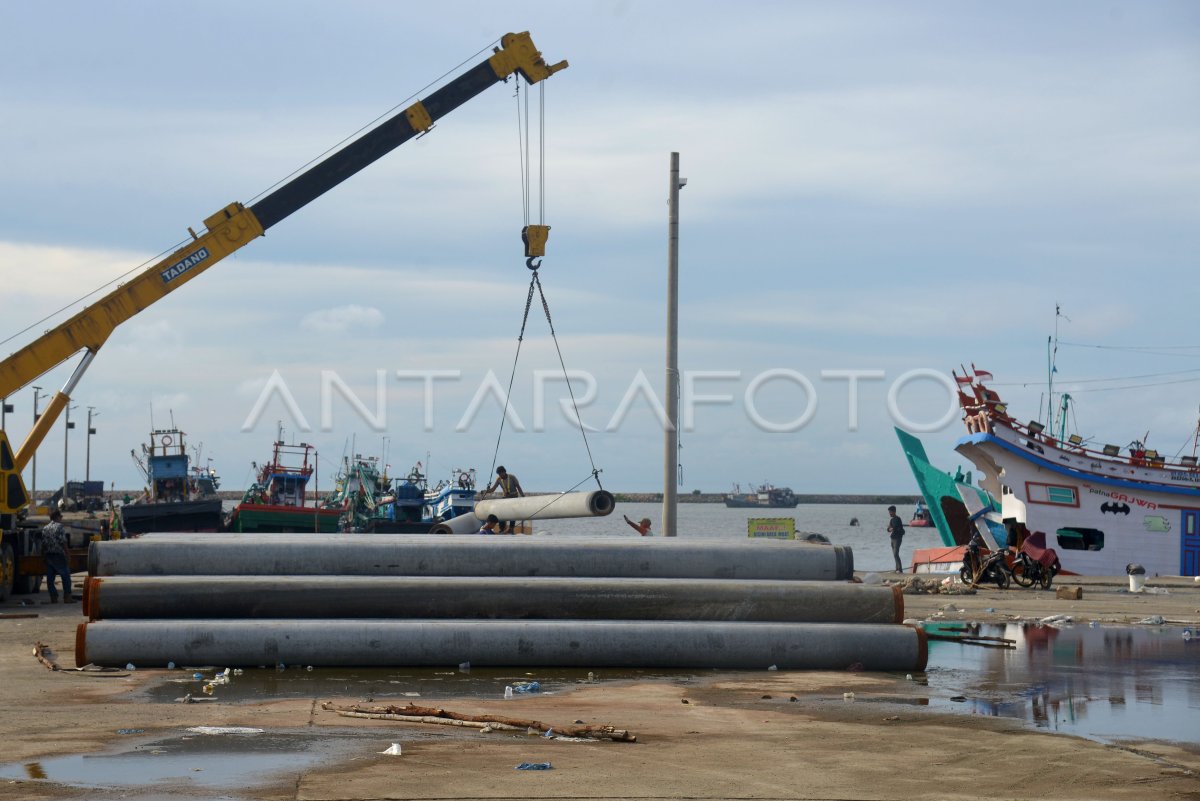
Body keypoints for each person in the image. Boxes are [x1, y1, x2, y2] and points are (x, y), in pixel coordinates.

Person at [39, 509, 74, 604]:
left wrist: (43, 556)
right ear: (57, 517)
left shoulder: (45, 528)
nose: (61, 519)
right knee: (65, 576)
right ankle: (67, 597)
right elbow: (63, 542)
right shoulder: (60, 527)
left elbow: (43, 544)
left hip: (49, 555)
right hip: (59, 555)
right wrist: (68, 554)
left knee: (50, 578)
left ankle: (53, 597)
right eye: (61, 517)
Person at [481, 466, 524, 533]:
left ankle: (511, 528)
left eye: (501, 473)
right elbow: (493, 489)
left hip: (514, 497)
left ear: (504, 472)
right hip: (505, 498)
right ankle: (502, 528)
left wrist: (523, 497)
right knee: (501, 512)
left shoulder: (512, 477)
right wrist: (486, 490)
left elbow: (518, 487)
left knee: (512, 513)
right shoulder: (498, 479)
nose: (500, 475)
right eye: (499, 474)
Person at [886, 505, 905, 572]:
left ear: (894, 511)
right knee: (894, 554)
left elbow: (897, 527)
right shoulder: (891, 520)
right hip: (892, 538)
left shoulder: (898, 519)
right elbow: (888, 529)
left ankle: (900, 569)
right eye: (889, 512)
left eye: (890, 512)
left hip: (897, 538)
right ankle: (897, 568)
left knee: (896, 553)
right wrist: (889, 529)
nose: (889, 513)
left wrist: (892, 528)